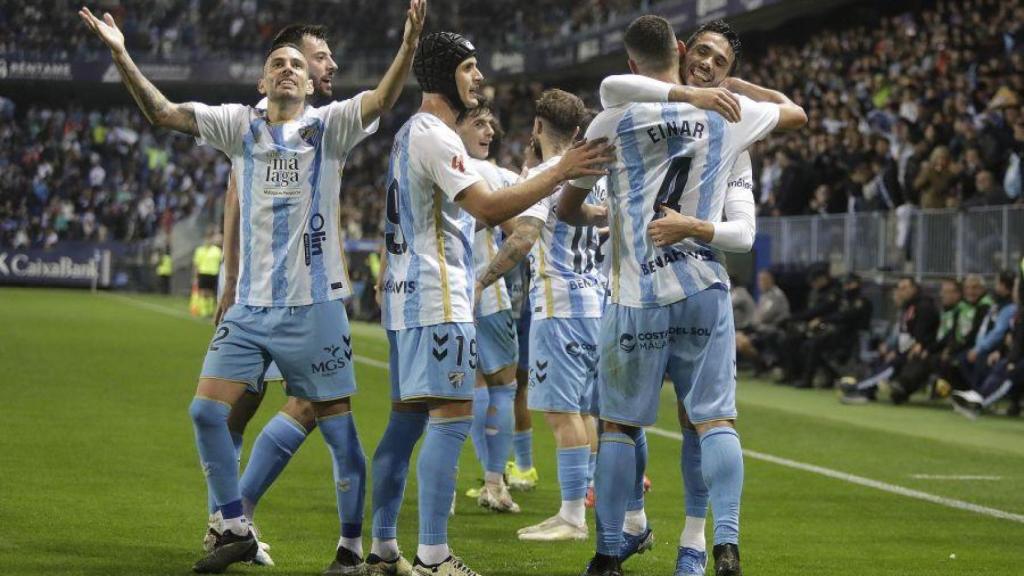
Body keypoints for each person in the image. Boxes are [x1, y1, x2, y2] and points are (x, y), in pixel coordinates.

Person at [80, 3, 423, 572]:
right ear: (264, 81)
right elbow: (162, 112)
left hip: (314, 308)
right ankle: (233, 525)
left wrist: (408, 44)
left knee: (339, 436)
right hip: (250, 310)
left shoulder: (329, 126)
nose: (289, 68)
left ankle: (350, 550)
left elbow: (383, 100)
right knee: (206, 413)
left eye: (298, 63)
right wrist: (121, 53)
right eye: (278, 63)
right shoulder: (238, 125)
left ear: (311, 81)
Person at [558, 15, 805, 576]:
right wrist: (736, 92)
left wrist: (609, 212)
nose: (712, 66)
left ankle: (618, 554)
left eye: (724, 63)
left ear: (631, 60)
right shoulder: (731, 122)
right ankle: (712, 545)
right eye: (707, 57)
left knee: (621, 425)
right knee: (713, 422)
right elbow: (795, 112)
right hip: (701, 292)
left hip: (636, 294)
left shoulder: (613, 119)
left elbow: (568, 207)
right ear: (683, 49)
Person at [370, 31, 612, 576]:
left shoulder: (411, 133)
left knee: (405, 424)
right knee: (454, 416)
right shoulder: (437, 136)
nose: (479, 78)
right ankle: (433, 555)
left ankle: (383, 548)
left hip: (410, 299)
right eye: (470, 67)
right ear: (443, 73)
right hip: (440, 300)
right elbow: (485, 205)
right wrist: (560, 171)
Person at [474, 88, 605, 543]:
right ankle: (584, 501)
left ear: (536, 128)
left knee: (559, 411)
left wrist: (478, 284)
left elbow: (522, 240)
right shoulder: (594, 174)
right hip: (596, 304)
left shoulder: (548, 176)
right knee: (584, 410)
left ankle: (572, 517)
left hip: (560, 307)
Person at [452, 99, 522, 513]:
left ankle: (471, 478)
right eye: (479, 123)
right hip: (486, 295)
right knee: (504, 388)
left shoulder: (434, 165)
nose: (489, 131)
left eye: (491, 125)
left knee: (465, 390)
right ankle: (496, 481)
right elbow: (518, 231)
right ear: (457, 127)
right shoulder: (490, 173)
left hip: (445, 299)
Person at [735, 269, 790, 371]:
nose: (760, 283)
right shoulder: (764, 295)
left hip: (772, 330)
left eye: (763, 280)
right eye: (759, 280)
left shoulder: (776, 295)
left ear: (771, 280)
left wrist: (755, 322)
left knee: (743, 343)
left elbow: (765, 316)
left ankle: (763, 366)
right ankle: (760, 365)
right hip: (760, 330)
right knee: (737, 338)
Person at [193, 232, 223, 318]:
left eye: (210, 239)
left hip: (213, 273)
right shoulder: (200, 250)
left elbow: (221, 262)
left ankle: (210, 310)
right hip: (203, 273)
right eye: (207, 239)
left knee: (211, 293)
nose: (208, 241)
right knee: (203, 292)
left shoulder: (217, 250)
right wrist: (195, 276)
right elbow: (196, 264)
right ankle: (204, 311)